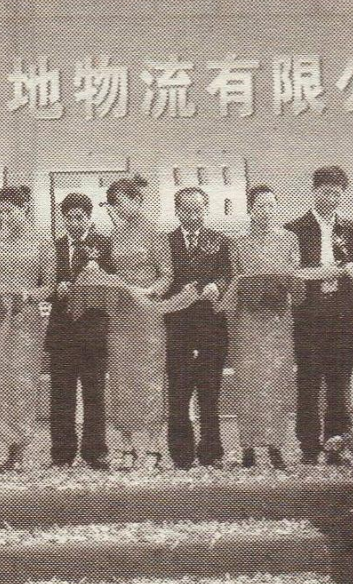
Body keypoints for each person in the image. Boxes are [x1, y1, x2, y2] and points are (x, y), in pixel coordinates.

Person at [285, 166, 353, 465]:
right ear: (314, 191)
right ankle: (308, 445)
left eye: (337, 193)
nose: (332, 198)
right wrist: (334, 270)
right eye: (326, 192)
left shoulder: (351, 228)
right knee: (308, 380)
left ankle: (337, 443)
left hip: (342, 314)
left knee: (339, 381)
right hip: (308, 314)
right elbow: (294, 271)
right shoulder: (294, 229)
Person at [219, 185, 301, 470]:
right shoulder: (238, 242)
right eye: (260, 206)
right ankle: (248, 446)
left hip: (278, 318)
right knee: (248, 379)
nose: (266, 211)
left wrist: (282, 286)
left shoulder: (289, 239)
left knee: (277, 378)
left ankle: (276, 445)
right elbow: (234, 280)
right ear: (250, 209)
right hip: (248, 318)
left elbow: (294, 276)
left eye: (270, 205)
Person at [0, 186, 54, 471]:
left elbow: (48, 287)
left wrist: (27, 295)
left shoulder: (42, 243)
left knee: (22, 382)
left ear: (25, 209)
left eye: (10, 211)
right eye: (1, 212)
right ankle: (3, 446)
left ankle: (19, 449)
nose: (6, 217)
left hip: (26, 320)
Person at [105, 176, 173, 471]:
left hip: (147, 312)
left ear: (137, 200)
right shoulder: (115, 234)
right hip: (121, 313)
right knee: (121, 376)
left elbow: (167, 274)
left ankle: (154, 446)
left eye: (120, 203)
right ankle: (126, 444)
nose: (118, 209)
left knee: (149, 375)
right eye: (114, 205)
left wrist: (149, 291)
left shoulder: (156, 231)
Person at [165, 187, 231, 470]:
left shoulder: (221, 240)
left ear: (206, 209)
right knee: (178, 392)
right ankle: (181, 455)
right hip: (176, 328)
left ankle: (211, 451)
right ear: (177, 211)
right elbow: (162, 279)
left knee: (209, 392)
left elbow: (228, 274)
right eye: (186, 210)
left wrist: (218, 285)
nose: (193, 216)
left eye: (198, 210)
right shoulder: (165, 242)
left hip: (210, 326)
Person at [46, 192, 113, 470]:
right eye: (69, 218)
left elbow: (114, 285)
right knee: (61, 393)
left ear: (89, 217)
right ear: (62, 219)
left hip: (93, 330)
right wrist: (56, 289)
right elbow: (44, 284)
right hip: (62, 331)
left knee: (94, 392)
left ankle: (95, 451)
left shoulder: (105, 245)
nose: (74, 223)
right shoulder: (54, 247)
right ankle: (62, 453)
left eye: (79, 217)